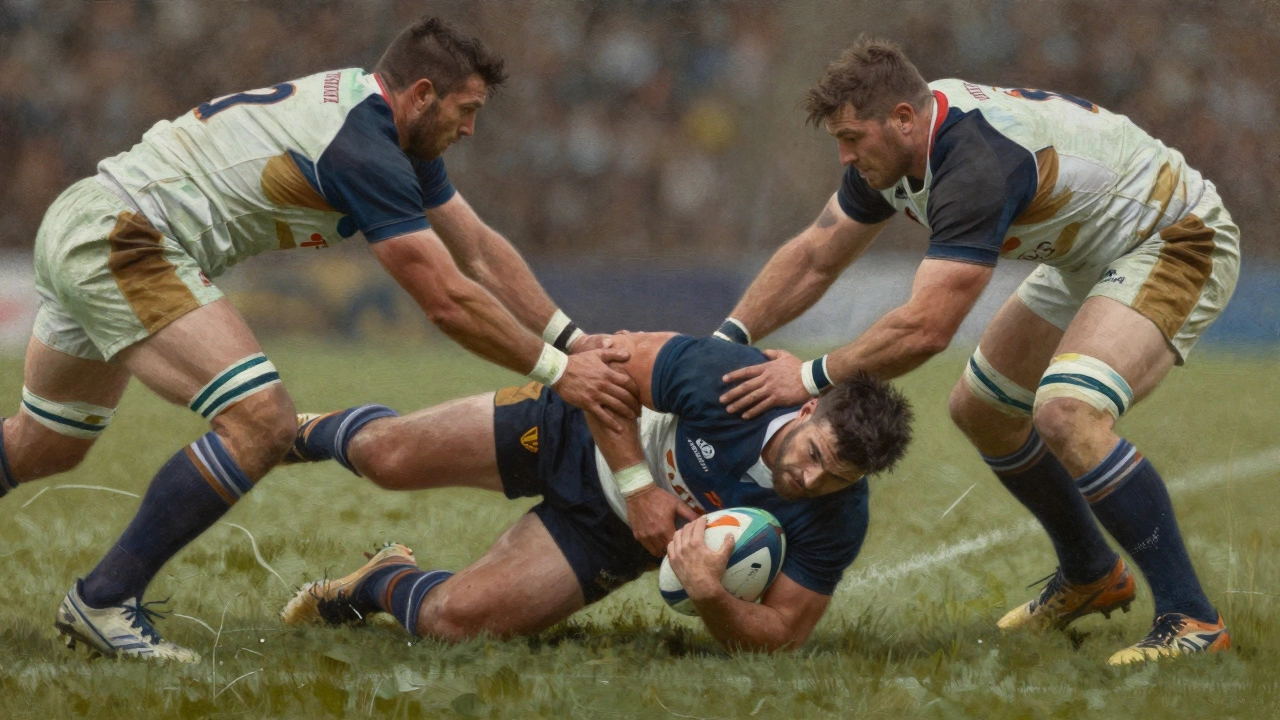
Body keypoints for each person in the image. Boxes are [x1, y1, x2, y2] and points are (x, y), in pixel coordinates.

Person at [26, 16, 639, 663]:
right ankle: (104, 600)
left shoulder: (381, 125)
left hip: (90, 218)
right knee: (263, 422)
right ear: (422, 94)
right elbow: (447, 299)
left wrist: (573, 341)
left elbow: (479, 250)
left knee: (43, 445)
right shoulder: (363, 145)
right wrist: (557, 371)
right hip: (125, 236)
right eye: (468, 110)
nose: (471, 129)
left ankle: (103, 599)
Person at [710, 39, 1238, 665]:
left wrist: (808, 376)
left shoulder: (974, 164)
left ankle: (1192, 618)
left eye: (852, 137)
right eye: (839, 142)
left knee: (1068, 412)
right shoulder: (899, 154)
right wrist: (726, 342)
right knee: (980, 408)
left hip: (1173, 236)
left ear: (903, 118)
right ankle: (1091, 574)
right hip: (1087, 253)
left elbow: (928, 328)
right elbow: (814, 256)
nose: (846, 156)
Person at [278, 331, 913, 653]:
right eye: (815, 457)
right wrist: (640, 486)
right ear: (805, 411)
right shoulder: (732, 378)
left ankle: (378, 579)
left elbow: (783, 634)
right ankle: (282, 432)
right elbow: (607, 366)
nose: (812, 481)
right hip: (575, 429)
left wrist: (710, 595)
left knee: (450, 622)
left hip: (608, 533)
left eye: (838, 478)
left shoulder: (837, 518)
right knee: (385, 457)